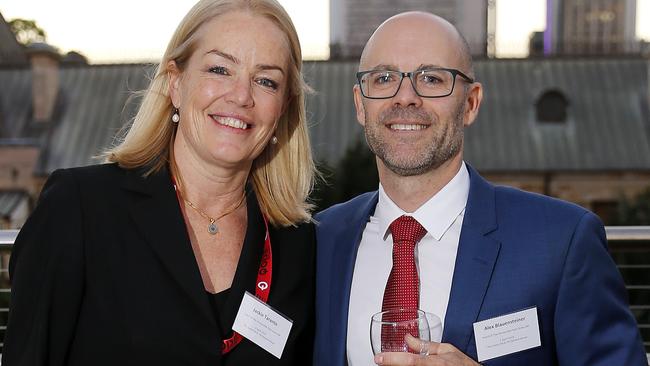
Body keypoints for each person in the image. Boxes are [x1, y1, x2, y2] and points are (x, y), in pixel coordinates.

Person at [314, 11, 646, 366]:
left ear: (471, 103)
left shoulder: (561, 242)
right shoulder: (323, 239)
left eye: (430, 78)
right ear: (360, 105)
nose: (405, 97)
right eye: (383, 78)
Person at [3, 0, 316, 364]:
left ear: (283, 109)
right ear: (176, 83)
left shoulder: (296, 244)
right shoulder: (80, 209)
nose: (242, 96)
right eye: (220, 69)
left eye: (266, 81)